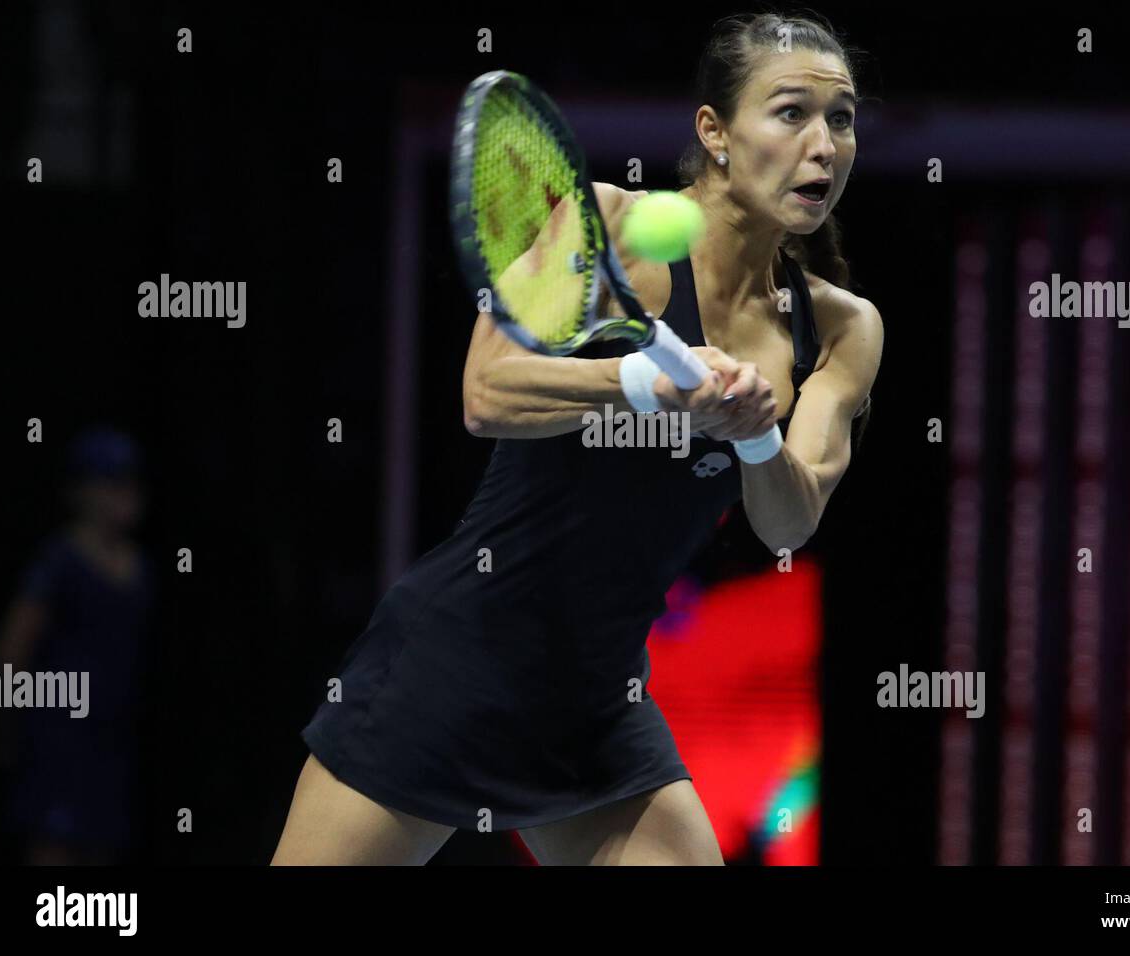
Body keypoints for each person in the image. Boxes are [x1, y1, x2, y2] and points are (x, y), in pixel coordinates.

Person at [273, 11, 882, 866]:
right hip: (453, 667)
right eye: (791, 113)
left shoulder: (841, 327)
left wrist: (753, 437)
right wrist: (644, 385)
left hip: (598, 700)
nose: (824, 144)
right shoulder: (609, 229)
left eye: (842, 118)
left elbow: (788, 520)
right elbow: (487, 391)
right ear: (714, 132)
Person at [0, 426, 154, 865]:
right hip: (58, 741)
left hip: (112, 746)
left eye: (130, 480)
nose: (124, 493)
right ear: (81, 491)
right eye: (110, 480)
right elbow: (10, 654)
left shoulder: (141, 569)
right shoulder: (58, 562)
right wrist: (7, 731)